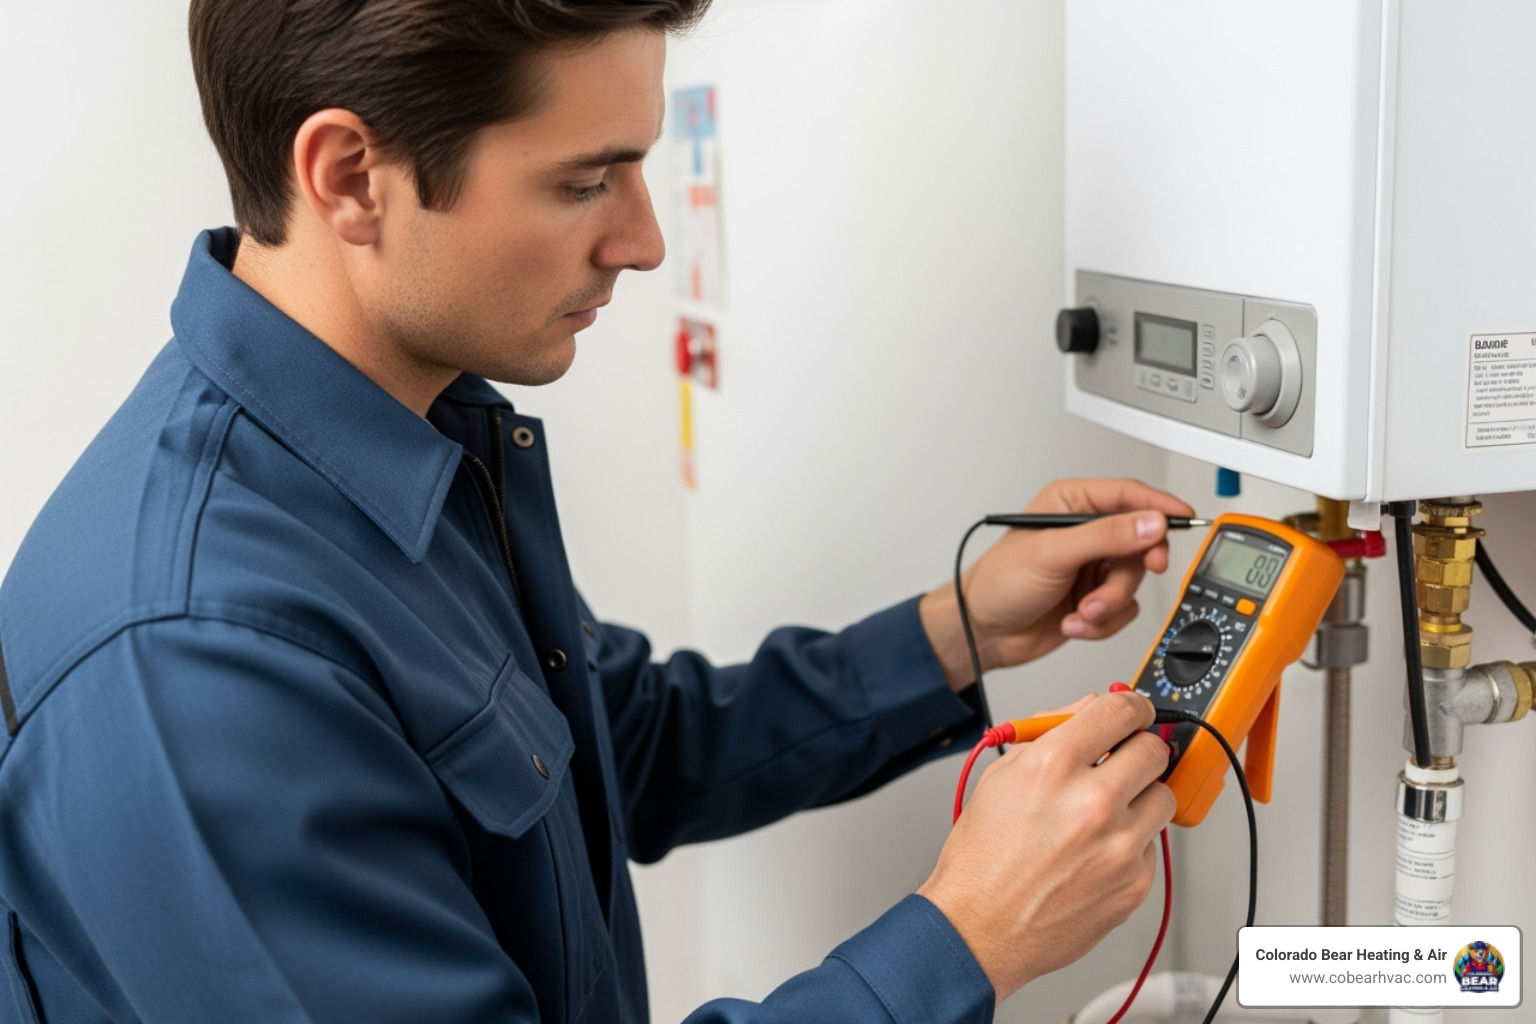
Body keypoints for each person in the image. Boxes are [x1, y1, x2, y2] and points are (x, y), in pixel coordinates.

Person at [0, 2, 1187, 1022]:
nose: (644, 238)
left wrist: (956, 629)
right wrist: (963, 939)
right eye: (584, 180)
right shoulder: (200, 659)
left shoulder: (403, 434)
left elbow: (618, 743)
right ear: (351, 177)